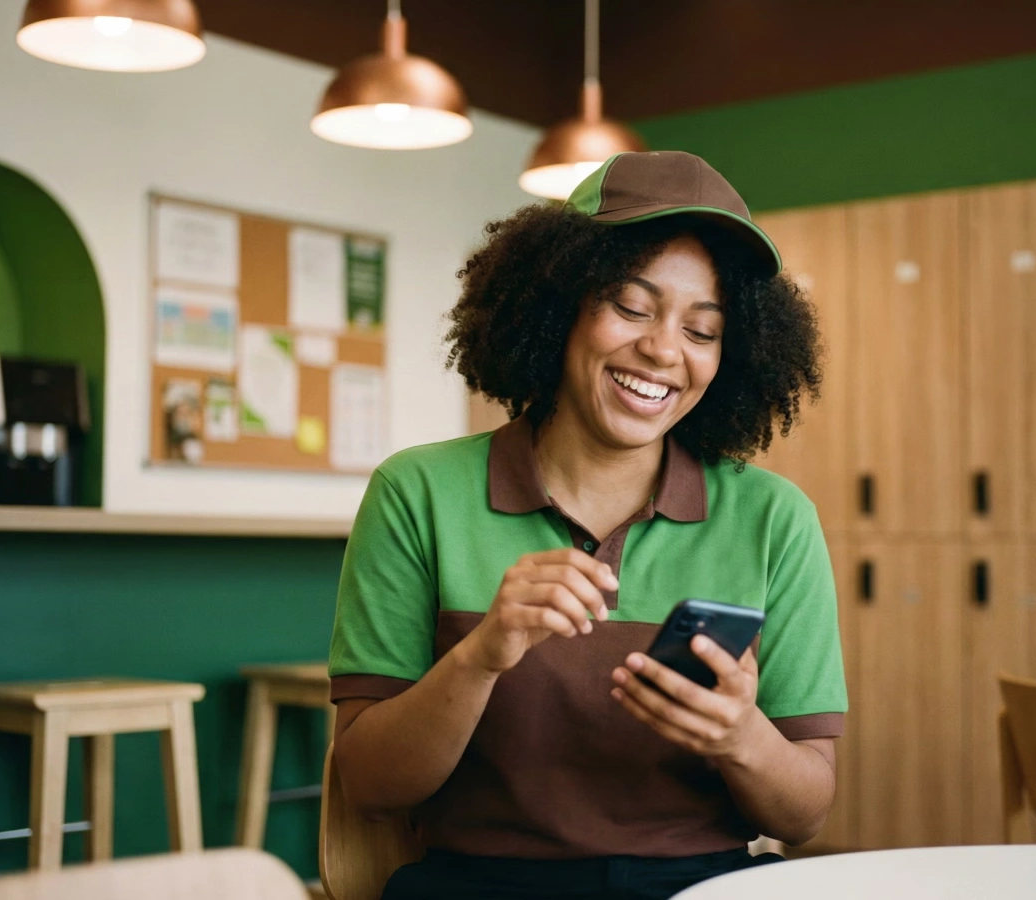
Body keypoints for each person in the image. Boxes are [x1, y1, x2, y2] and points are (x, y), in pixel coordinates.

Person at [329, 150, 848, 900]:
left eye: (703, 330)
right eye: (631, 307)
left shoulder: (773, 518)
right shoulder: (418, 492)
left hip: (703, 886)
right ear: (556, 303)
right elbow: (371, 787)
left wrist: (742, 737)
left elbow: (806, 814)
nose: (664, 350)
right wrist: (482, 655)